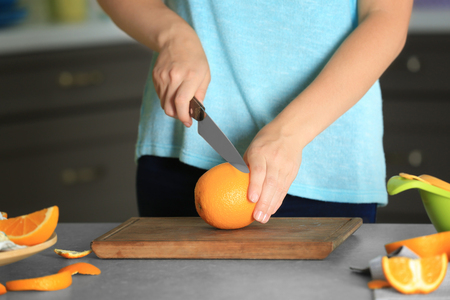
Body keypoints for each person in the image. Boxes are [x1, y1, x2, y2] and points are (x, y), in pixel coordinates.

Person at [98, 0, 413, 223]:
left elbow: (386, 15)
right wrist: (171, 35)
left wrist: (289, 133)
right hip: (179, 153)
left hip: (323, 168)